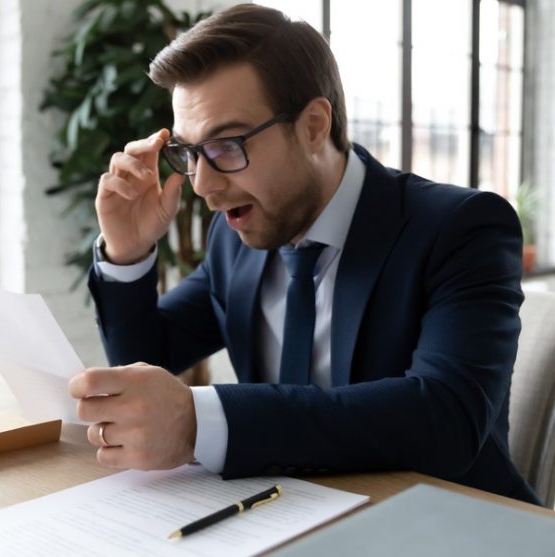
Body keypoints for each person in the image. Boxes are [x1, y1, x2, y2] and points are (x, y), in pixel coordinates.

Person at [67, 3, 540, 504]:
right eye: (188, 152)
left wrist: (199, 420)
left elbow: (445, 419)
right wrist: (127, 252)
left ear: (314, 125)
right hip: (283, 516)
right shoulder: (234, 236)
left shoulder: (460, 228)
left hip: (448, 523)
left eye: (228, 144)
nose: (203, 185)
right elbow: (150, 368)